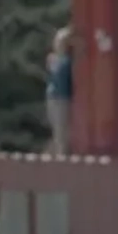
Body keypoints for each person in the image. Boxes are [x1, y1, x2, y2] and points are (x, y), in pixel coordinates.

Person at [46, 27, 75, 155]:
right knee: (55, 127)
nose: (58, 44)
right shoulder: (53, 58)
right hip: (52, 96)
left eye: (61, 41)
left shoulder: (68, 60)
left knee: (61, 128)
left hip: (62, 97)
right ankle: (57, 152)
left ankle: (61, 155)